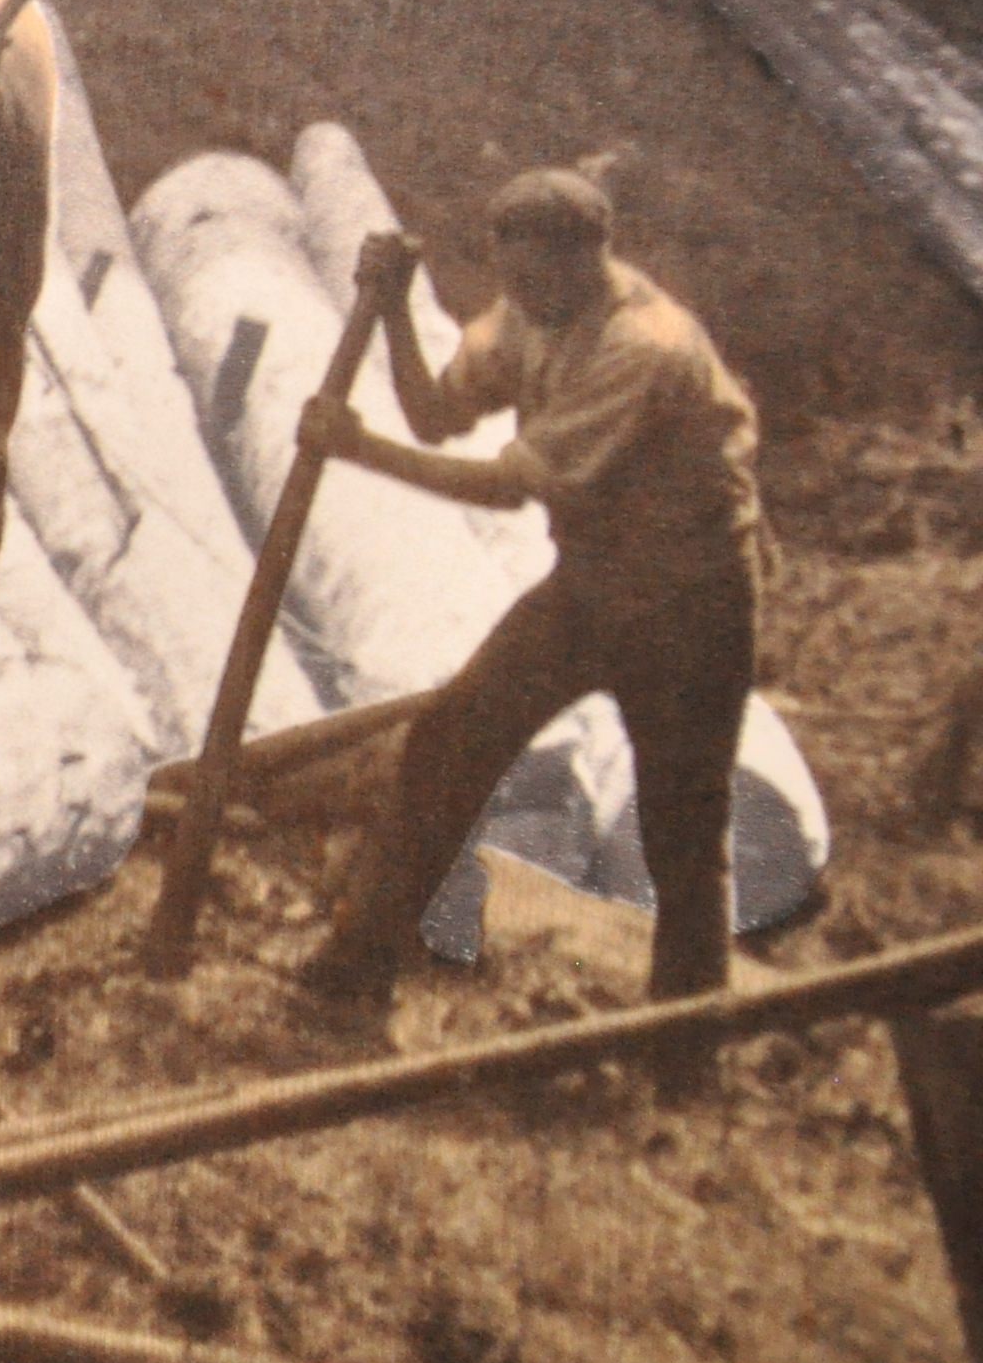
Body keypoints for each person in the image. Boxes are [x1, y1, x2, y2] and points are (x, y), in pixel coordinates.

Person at [296, 170, 766, 1057]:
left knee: (683, 825)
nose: (525, 299)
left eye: (542, 280)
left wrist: (356, 449)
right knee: (450, 735)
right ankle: (359, 960)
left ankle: (684, 1053)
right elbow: (437, 416)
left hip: (691, 602)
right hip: (594, 581)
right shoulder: (528, 310)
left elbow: (502, 489)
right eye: (513, 280)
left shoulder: (645, 346)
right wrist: (394, 310)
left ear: (590, 256)